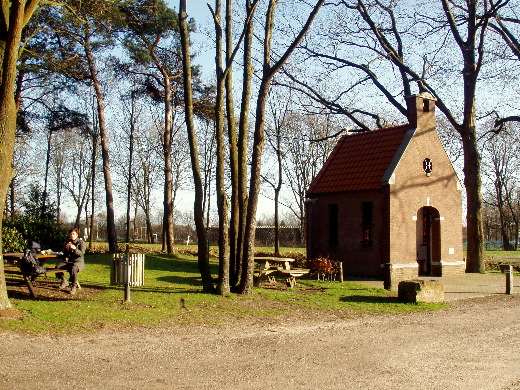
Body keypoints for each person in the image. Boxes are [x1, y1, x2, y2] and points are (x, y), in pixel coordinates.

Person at [55, 228, 85, 294]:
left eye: (73, 234)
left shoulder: (81, 242)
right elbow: (65, 254)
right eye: (71, 234)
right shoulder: (68, 242)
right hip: (70, 261)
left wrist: (75, 249)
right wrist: (65, 250)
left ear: (77, 235)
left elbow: (81, 254)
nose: (72, 236)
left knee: (74, 268)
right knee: (57, 266)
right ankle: (64, 281)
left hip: (78, 262)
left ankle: (74, 286)